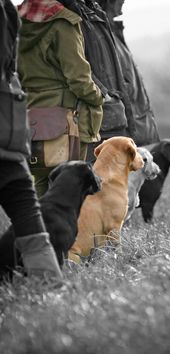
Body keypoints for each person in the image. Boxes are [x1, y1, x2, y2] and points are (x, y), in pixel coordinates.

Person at [0, 0, 62, 280]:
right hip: (8, 119)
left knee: (25, 201)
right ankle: (48, 283)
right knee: (25, 205)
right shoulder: (6, 8)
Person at [17, 0, 104, 195]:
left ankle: (40, 226)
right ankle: (66, 226)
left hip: (32, 112)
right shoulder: (63, 22)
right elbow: (78, 79)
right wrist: (98, 97)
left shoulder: (15, 21)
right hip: (68, 115)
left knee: (40, 179)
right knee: (71, 183)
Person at [57, 0, 136, 161]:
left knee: (114, 182)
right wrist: (104, 95)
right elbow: (77, 71)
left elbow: (112, 72)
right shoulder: (69, 16)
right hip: (94, 122)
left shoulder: (94, 12)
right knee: (95, 182)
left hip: (113, 117)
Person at [96, 0, 160, 146]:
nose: (121, 12)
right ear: (106, 3)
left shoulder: (113, 34)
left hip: (138, 122)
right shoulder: (104, 36)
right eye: (119, 4)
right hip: (127, 124)